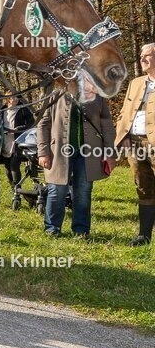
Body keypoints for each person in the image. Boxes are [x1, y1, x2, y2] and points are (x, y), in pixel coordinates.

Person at [38, 79, 114, 238]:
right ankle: (52, 229)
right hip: (58, 151)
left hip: (88, 153)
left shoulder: (96, 94)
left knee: (83, 192)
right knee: (56, 190)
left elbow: (106, 124)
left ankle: (81, 230)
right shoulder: (55, 93)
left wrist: (109, 151)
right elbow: (43, 123)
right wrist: (43, 151)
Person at [115, 42, 155, 246]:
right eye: (141, 56)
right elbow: (125, 111)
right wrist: (123, 135)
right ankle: (144, 236)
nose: (142, 59)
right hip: (136, 144)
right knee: (143, 188)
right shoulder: (136, 82)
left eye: (147, 55)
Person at [0, 96, 34, 188]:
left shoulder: (23, 109)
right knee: (7, 169)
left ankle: (17, 188)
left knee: (14, 166)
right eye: (12, 97)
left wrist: (18, 129)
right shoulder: (2, 110)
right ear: (8, 99)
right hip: (6, 142)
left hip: (18, 141)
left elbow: (31, 123)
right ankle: (13, 188)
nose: (15, 99)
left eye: (16, 97)